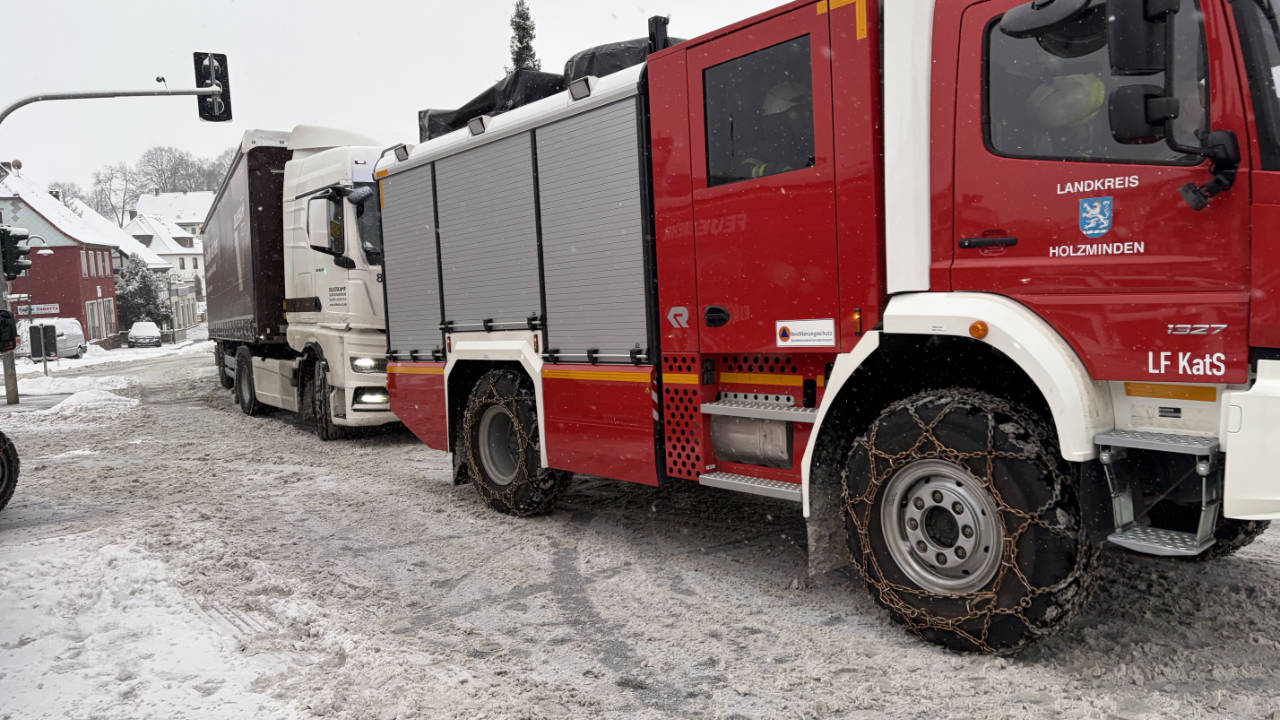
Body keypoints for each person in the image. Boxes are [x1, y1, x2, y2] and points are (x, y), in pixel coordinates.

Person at [740, 80, 815, 180]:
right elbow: (744, 173)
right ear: (780, 119)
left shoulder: (815, 145)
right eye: (799, 111)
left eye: (808, 110)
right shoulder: (763, 151)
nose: (807, 116)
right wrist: (772, 170)